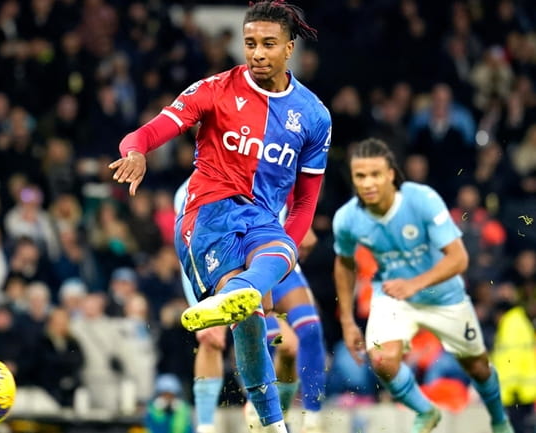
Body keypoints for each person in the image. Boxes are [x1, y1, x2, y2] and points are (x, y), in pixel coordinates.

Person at [110, 2, 330, 431]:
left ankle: (274, 422)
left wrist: (283, 258)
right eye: (250, 43)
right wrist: (134, 151)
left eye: (269, 44)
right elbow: (152, 130)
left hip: (263, 220)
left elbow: (304, 204)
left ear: (289, 48)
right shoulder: (214, 89)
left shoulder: (315, 115)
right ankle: (252, 422)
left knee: (268, 276)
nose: (258, 53)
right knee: (248, 321)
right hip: (208, 215)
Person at [332, 138, 514, 433]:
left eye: (375, 174)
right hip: (394, 296)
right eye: (360, 176)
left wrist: (414, 284)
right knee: (381, 359)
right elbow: (344, 264)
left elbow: (458, 258)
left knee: (478, 366)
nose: (367, 183)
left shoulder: (421, 199)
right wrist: (347, 321)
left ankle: (498, 419)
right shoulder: (348, 218)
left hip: (442, 294)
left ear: (391, 174)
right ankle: (425, 411)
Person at [175, 179, 327, 433]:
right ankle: (208, 426)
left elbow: (297, 199)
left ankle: (304, 418)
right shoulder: (190, 189)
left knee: (301, 338)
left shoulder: (264, 159)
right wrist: (199, 300)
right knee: (213, 339)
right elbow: (187, 250)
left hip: (271, 256)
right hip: (231, 267)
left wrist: (299, 216)